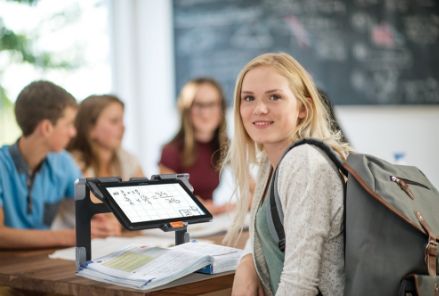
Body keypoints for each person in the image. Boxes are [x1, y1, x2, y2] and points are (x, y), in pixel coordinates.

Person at [223, 53, 351, 295]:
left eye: (274, 97)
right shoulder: (270, 161)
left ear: (303, 108)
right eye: (248, 98)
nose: (259, 109)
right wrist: (247, 261)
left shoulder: (303, 163)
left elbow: (299, 284)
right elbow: (270, 229)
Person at [0, 81, 120, 249]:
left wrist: (103, 219)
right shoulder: (2, 166)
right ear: (47, 128)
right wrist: (67, 236)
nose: (73, 132)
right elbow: (1, 235)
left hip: (43, 260)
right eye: (69, 124)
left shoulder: (63, 162)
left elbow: (90, 202)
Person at [52, 94, 144, 229]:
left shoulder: (127, 159)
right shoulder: (74, 163)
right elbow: (105, 217)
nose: (123, 127)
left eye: (122, 120)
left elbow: (144, 206)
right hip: (74, 243)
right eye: (114, 121)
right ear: (91, 130)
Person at [158, 77, 233, 215]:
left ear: (221, 108)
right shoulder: (170, 151)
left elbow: (255, 189)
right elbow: (171, 201)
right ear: (186, 110)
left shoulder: (226, 146)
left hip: (213, 224)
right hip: (186, 225)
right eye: (198, 105)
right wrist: (217, 208)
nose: (205, 113)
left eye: (211, 104)